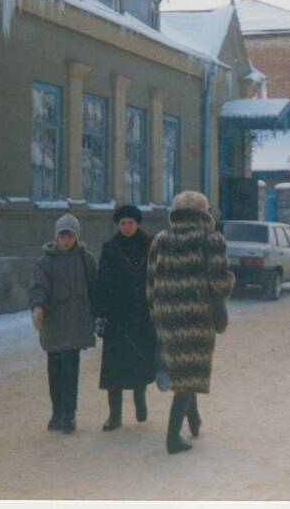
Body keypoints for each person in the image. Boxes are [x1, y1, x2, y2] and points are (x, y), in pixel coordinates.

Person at [147, 191, 234, 455]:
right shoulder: (211, 239)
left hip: (167, 316)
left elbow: (150, 284)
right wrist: (229, 281)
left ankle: (194, 422)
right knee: (190, 371)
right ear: (203, 213)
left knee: (183, 369)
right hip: (197, 315)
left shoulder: (161, 240)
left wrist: (157, 314)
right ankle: (173, 438)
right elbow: (219, 283)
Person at [30, 213, 97, 434]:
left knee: (71, 370)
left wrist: (98, 313)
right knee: (55, 370)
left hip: (76, 323)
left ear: (76, 236)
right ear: (56, 237)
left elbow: (94, 288)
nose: (66, 240)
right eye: (62, 235)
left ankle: (69, 415)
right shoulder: (45, 262)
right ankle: (56, 412)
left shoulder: (86, 259)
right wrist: (38, 307)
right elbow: (39, 287)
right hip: (54, 324)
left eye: (70, 235)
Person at [94, 204, 156, 432]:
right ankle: (115, 414)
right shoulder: (110, 249)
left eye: (130, 223)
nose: (127, 227)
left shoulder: (150, 247)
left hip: (142, 314)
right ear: (117, 225)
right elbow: (102, 282)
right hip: (117, 315)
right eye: (122, 223)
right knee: (114, 368)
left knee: (140, 360)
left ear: (137, 223)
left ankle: (140, 401)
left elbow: (156, 279)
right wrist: (101, 314)